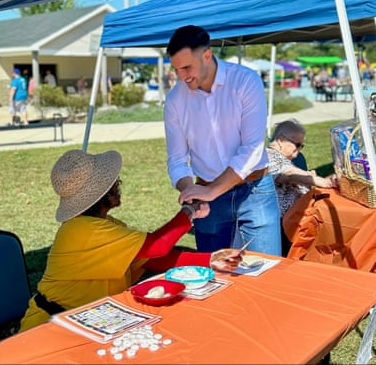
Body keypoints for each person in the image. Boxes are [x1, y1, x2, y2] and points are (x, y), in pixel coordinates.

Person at [19, 149, 243, 332]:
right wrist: (189, 211)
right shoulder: (81, 230)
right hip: (49, 326)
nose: (118, 183)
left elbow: (151, 259)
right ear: (100, 193)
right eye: (112, 182)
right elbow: (157, 245)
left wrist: (210, 260)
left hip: (84, 321)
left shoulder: (103, 226)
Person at [164, 25, 281, 256]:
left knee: (264, 275)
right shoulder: (175, 100)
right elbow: (177, 160)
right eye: (177, 70)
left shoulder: (246, 81)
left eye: (187, 67)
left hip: (255, 190)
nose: (183, 77)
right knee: (212, 278)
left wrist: (213, 190)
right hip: (207, 196)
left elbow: (252, 149)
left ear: (207, 55)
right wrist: (192, 192)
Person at [266, 119, 338, 255]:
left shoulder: (287, 159)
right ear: (280, 140)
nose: (299, 150)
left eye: (301, 146)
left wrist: (326, 179)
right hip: (282, 227)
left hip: (296, 221)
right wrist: (316, 179)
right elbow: (287, 174)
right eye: (297, 145)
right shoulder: (269, 155)